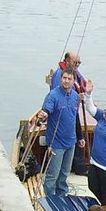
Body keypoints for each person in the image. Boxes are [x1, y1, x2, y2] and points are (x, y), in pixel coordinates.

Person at [38, 69, 81, 198]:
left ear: (73, 81)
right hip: (56, 142)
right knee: (53, 174)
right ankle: (49, 198)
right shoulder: (53, 95)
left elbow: (75, 117)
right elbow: (47, 110)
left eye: (69, 79)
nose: (66, 81)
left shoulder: (75, 96)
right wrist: (44, 114)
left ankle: (62, 195)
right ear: (61, 79)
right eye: (64, 78)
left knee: (65, 172)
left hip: (71, 141)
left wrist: (80, 137)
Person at [50, 51, 90, 176]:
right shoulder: (59, 75)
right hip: (62, 115)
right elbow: (58, 95)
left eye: (79, 62)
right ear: (67, 60)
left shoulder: (75, 73)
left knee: (76, 136)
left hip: (72, 111)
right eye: (75, 62)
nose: (77, 64)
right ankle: (77, 166)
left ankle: (77, 166)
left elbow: (84, 83)